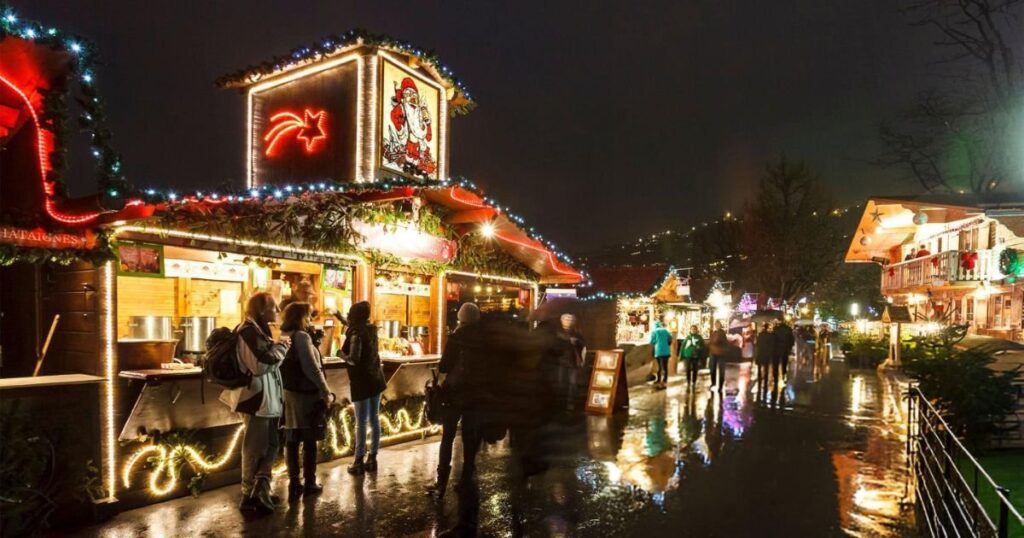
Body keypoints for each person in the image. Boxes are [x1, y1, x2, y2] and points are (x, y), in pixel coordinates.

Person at [220, 292, 291, 513]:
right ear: (261, 309)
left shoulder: (259, 331)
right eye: (273, 306)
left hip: (266, 400)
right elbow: (260, 365)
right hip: (255, 400)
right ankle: (248, 495)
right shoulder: (248, 332)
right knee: (254, 448)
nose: (277, 310)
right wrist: (282, 347)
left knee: (271, 444)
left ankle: (262, 489)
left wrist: (276, 348)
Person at [427, 303, 483, 498]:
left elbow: (443, 366)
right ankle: (466, 479)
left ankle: (441, 483)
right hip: (475, 395)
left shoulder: (457, 338)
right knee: (470, 437)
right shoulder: (483, 340)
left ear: (461, 318)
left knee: (448, 436)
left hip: (454, 394)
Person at [278, 302, 332, 501]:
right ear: (300, 317)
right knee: (309, 439)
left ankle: (294, 483)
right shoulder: (301, 337)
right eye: (308, 316)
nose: (310, 320)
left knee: (291, 439)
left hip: (289, 393)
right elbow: (312, 368)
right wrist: (325, 391)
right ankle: (309, 482)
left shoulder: (284, 335)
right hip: (305, 394)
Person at [341, 301, 386, 476]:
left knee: (361, 421)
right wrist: (337, 314)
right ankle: (372, 457)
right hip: (375, 378)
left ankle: (358, 460)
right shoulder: (371, 329)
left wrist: (340, 354)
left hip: (361, 381)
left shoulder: (356, 333)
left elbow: (353, 359)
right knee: (374, 418)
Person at [649, 320, 673, 390]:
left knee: (659, 366)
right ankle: (665, 380)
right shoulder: (665, 331)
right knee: (665, 366)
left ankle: (658, 379)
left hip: (659, 351)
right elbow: (670, 339)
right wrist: (667, 344)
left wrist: (656, 343)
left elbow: (651, 341)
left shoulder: (654, 331)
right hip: (666, 351)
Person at [754, 323, 776, 397]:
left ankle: (760, 380)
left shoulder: (760, 335)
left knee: (760, 368)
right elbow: (771, 345)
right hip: (766, 354)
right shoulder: (769, 336)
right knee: (766, 368)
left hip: (761, 353)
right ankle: (765, 380)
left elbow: (757, 344)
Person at [707, 320, 729, 392]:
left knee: (721, 371)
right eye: (715, 324)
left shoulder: (722, 333)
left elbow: (723, 342)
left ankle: (720, 386)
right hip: (713, 353)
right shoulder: (714, 333)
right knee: (712, 369)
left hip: (721, 354)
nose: (716, 325)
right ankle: (713, 383)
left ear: (720, 325)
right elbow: (711, 342)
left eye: (718, 324)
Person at [773, 320, 795, 384]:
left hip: (776, 349)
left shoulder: (776, 329)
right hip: (785, 349)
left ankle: (775, 377)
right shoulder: (788, 330)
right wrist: (790, 348)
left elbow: (773, 339)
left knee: (776, 363)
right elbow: (792, 340)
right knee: (784, 362)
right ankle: (783, 375)